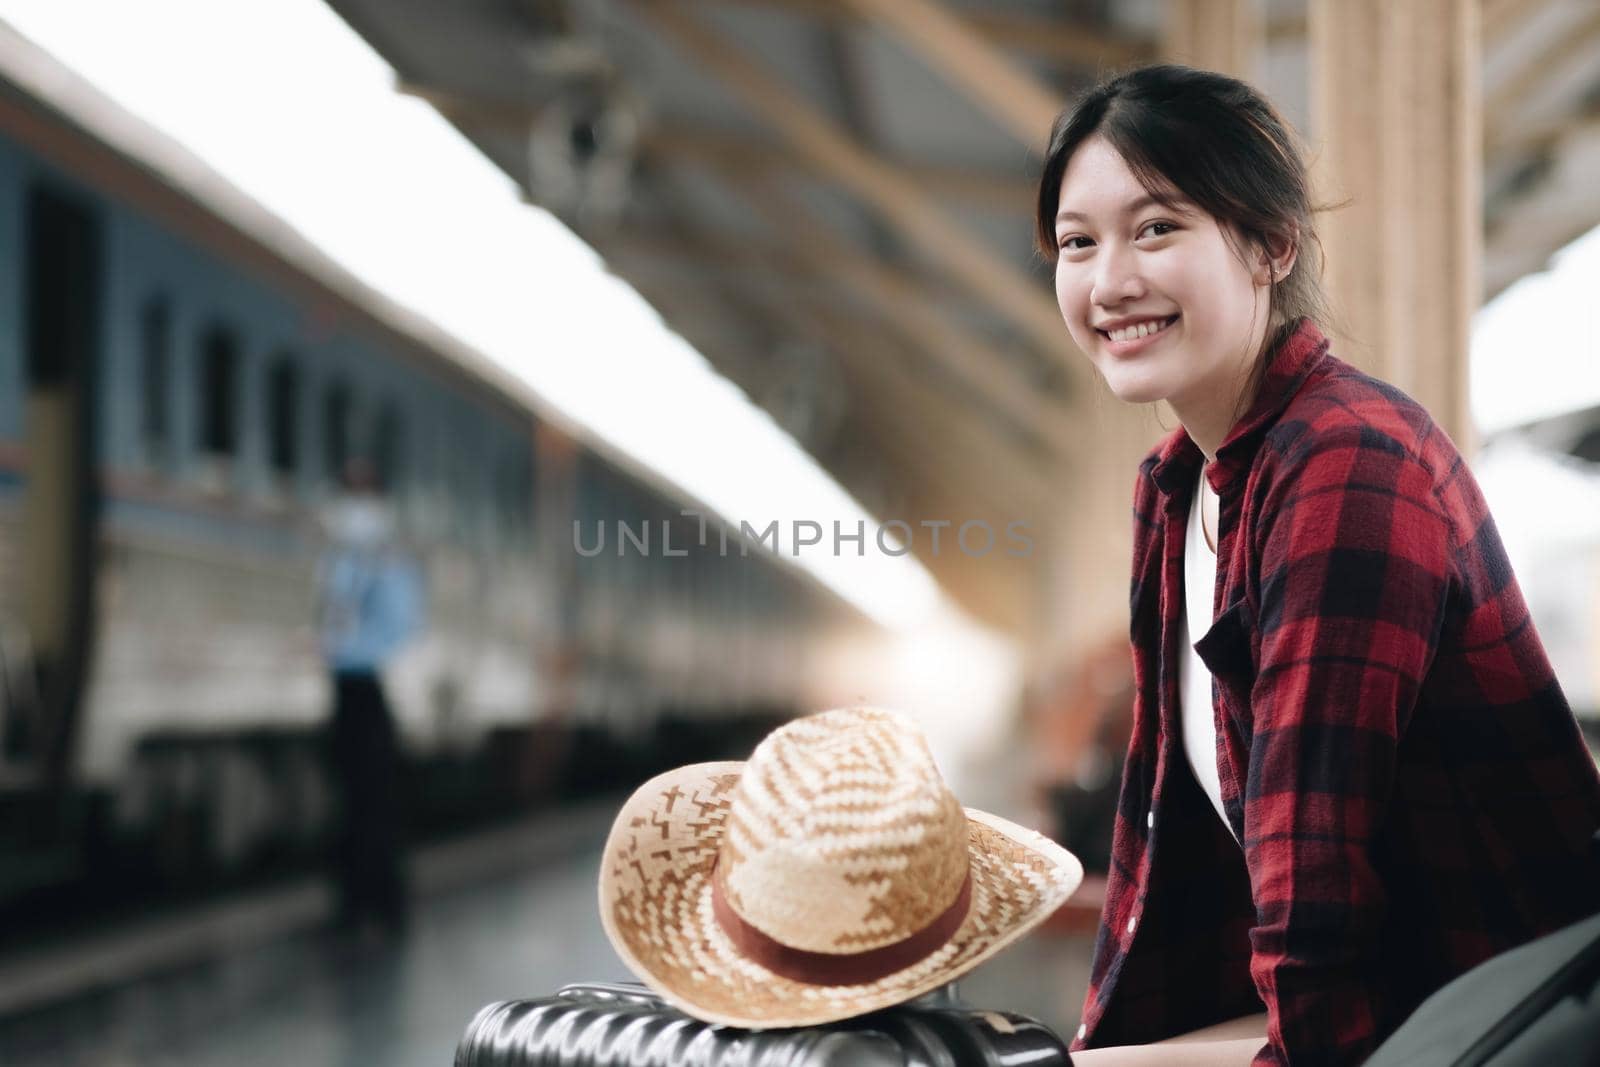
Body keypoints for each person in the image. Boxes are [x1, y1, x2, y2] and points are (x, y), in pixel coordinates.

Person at [1037, 64, 1600, 1066]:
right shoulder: (1176, 488)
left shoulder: (1347, 461)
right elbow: (1157, 836)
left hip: (1502, 1031)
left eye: (1157, 227)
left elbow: (1314, 892)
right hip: (1397, 1022)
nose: (1107, 279)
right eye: (1077, 242)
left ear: (1269, 246)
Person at [317, 457, 424, 939]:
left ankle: (381, 907)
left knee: (373, 805)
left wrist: (343, 644)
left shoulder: (388, 561)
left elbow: (397, 628)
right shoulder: (342, 558)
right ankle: (358, 904)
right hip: (343, 690)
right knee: (352, 802)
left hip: (367, 688)